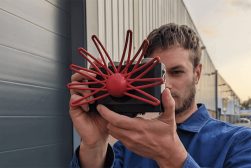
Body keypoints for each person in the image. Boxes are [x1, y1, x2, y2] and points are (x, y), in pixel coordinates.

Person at [69, 23, 251, 168]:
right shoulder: (128, 146)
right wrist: (94, 146)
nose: (167, 85)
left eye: (177, 72)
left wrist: (172, 156)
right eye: (158, 75)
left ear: (197, 73)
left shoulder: (239, 142)